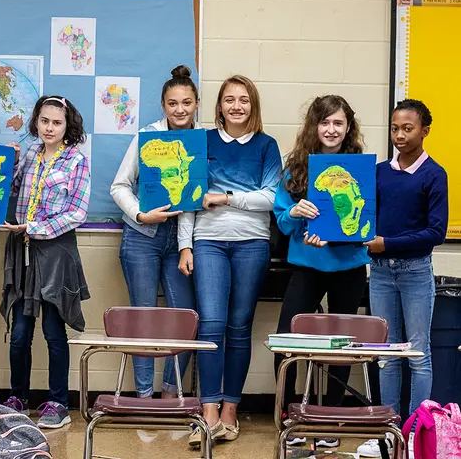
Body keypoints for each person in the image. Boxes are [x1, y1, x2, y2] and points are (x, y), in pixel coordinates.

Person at [178, 75, 281, 448]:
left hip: (252, 243)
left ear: (253, 106)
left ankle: (230, 413)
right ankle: (207, 415)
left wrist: (226, 197)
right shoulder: (202, 142)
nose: (237, 106)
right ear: (219, 105)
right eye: (229, 99)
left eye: (244, 100)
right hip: (207, 242)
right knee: (211, 326)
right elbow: (188, 197)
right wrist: (184, 246)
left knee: (239, 327)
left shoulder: (267, 146)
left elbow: (271, 197)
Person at [272, 95, 369, 450]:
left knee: (342, 346)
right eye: (324, 122)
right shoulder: (296, 168)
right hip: (308, 265)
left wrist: (337, 236)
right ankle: (289, 415)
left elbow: (366, 224)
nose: (331, 129)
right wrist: (295, 213)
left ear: (348, 127)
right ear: (313, 126)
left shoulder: (360, 169)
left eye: (338, 123)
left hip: (348, 266)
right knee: (286, 340)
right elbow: (283, 224)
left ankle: (330, 417)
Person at [357, 99, 448, 458]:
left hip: (415, 273)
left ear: (425, 131)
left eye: (407, 129)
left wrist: (387, 243)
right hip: (380, 273)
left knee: (418, 354)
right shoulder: (379, 172)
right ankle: (388, 432)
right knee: (387, 354)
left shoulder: (434, 174)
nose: (399, 135)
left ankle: (415, 434)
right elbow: (364, 216)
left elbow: (436, 232)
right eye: (395, 128)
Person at [0, 95, 91, 430]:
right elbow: (9, 190)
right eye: (44, 121)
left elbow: (77, 212)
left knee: (54, 330)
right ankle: (17, 397)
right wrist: (8, 164)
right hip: (21, 251)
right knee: (20, 332)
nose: (49, 128)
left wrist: (34, 228)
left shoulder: (76, 160)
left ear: (68, 126)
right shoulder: (30, 155)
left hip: (55, 252)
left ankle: (58, 402)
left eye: (57, 122)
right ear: (36, 122)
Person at [109, 65, 197, 400]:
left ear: (196, 103)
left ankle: (171, 394)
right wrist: (141, 214)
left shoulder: (200, 142)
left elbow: (191, 201)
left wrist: (186, 245)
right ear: (163, 105)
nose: (180, 109)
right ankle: (144, 397)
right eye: (173, 103)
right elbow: (119, 186)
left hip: (180, 241)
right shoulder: (147, 137)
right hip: (142, 237)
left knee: (184, 319)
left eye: (186, 102)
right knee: (143, 318)